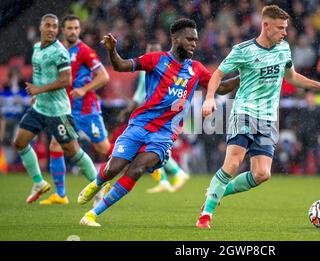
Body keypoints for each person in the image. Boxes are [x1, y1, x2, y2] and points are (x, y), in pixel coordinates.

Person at [77, 18, 239, 227]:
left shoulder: (197, 70)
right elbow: (121, 65)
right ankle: (98, 182)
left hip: (164, 134)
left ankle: (92, 215)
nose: (193, 44)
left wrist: (243, 76)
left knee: (135, 170)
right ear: (175, 38)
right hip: (140, 125)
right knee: (113, 168)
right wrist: (112, 51)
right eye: (189, 39)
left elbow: (222, 88)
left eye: (196, 40)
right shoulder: (156, 60)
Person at [197, 5, 320, 229]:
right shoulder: (243, 50)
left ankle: (216, 192)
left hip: (269, 119)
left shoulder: (284, 49)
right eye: (280, 28)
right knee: (232, 164)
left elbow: (291, 76)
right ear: (265, 25)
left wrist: (319, 86)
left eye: (286, 28)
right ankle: (205, 216)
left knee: (262, 173)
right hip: (244, 112)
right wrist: (210, 98)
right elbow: (217, 75)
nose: (284, 32)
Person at [13, 14, 99, 203]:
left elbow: (66, 80)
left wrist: (38, 89)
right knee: (19, 142)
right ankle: (39, 183)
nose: (52, 29)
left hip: (59, 111)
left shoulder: (60, 52)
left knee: (73, 151)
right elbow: (39, 74)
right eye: (48, 25)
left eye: (55, 26)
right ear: (41, 27)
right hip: (40, 108)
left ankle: (98, 185)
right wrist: (36, 95)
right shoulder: (36, 48)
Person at [39, 14, 111, 205]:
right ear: (63, 30)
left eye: (76, 28)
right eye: (70, 28)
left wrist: (84, 89)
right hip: (66, 110)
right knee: (56, 145)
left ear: (80, 30)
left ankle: (124, 173)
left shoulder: (86, 52)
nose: (73, 32)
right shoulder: (58, 50)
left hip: (88, 110)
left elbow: (104, 76)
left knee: (103, 147)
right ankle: (61, 195)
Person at [118, 42, 190, 194]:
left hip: (154, 119)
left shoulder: (153, 70)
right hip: (157, 118)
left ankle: (176, 173)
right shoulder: (166, 70)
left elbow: (139, 96)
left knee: (153, 150)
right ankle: (166, 179)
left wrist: (128, 110)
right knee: (153, 150)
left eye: (153, 52)